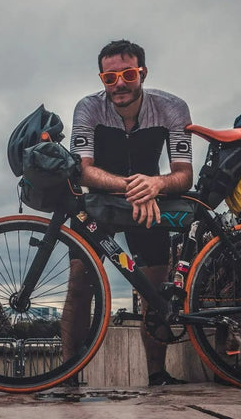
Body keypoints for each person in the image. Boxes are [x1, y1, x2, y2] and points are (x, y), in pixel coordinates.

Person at [63, 39, 193, 386]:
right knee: (79, 286)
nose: (119, 83)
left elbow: (184, 174)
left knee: (155, 290)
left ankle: (157, 375)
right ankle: (67, 376)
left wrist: (155, 186)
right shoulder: (88, 108)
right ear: (102, 79)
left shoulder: (172, 108)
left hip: (150, 202)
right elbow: (83, 169)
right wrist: (134, 187)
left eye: (128, 74)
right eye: (110, 77)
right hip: (102, 203)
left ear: (143, 73)